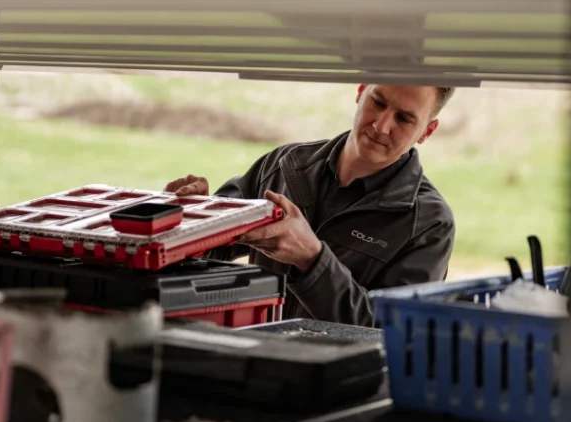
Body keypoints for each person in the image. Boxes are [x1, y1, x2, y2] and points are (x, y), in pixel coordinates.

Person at [164, 83, 456, 327]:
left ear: (427, 131)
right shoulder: (283, 165)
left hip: (339, 378)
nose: (381, 125)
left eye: (403, 119)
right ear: (361, 91)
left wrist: (312, 260)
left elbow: (396, 333)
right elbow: (209, 249)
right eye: (377, 102)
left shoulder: (429, 223)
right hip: (255, 361)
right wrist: (189, 218)